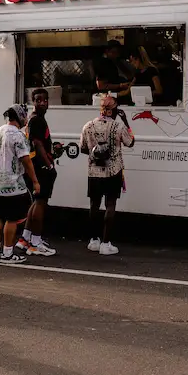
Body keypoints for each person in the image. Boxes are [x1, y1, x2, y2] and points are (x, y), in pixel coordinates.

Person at [80, 94, 135, 255]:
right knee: (110, 205)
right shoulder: (118, 127)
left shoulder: (88, 126)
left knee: (94, 206)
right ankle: (106, 243)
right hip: (113, 172)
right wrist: (125, 121)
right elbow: (130, 141)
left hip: (94, 172)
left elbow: (83, 148)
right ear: (114, 110)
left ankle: (94, 240)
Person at [0, 105, 39, 265]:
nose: (26, 119)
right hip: (12, 184)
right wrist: (35, 181)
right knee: (12, 219)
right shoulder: (18, 135)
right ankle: (7, 253)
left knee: (0, 217)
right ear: (19, 117)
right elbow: (26, 160)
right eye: (24, 116)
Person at [19, 89, 57, 256]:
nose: (42, 103)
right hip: (40, 167)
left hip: (35, 165)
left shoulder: (35, 119)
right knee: (41, 202)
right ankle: (35, 242)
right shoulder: (37, 120)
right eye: (38, 100)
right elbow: (38, 144)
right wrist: (49, 165)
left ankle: (24, 239)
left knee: (35, 202)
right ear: (32, 101)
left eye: (45, 100)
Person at [94, 40, 133, 105]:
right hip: (107, 100)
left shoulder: (115, 62)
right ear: (107, 51)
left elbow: (129, 74)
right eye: (114, 52)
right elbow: (101, 85)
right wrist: (120, 85)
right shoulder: (103, 64)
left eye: (118, 53)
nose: (116, 55)